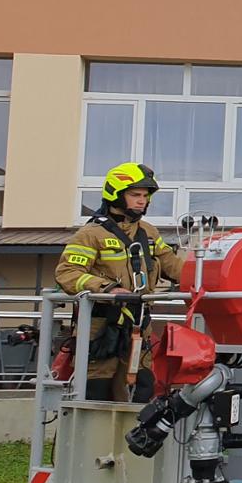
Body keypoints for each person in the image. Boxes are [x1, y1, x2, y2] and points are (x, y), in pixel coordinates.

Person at [54, 163, 182, 402]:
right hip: (101, 326)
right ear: (116, 194)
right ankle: (92, 439)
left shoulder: (149, 233)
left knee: (143, 389)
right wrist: (109, 289)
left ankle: (129, 439)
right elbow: (67, 272)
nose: (141, 201)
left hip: (138, 325)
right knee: (96, 391)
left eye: (145, 196)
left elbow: (174, 267)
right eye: (135, 195)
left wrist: (212, 275)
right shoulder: (91, 234)